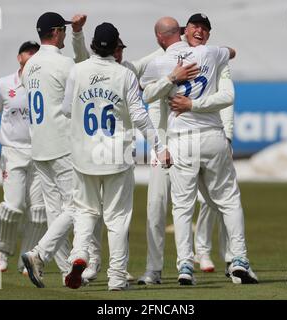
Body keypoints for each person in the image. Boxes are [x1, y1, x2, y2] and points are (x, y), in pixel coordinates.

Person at [140, 16, 258, 285]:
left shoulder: (160, 62)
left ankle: (185, 265)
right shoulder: (213, 53)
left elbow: (146, 95)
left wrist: (178, 88)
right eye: (195, 27)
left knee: (182, 207)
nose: (199, 31)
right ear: (183, 31)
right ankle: (238, 258)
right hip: (211, 136)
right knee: (228, 201)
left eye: (203, 28)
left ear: (161, 37)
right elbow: (232, 53)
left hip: (182, 140)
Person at [62, 22, 170, 291]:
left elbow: (66, 110)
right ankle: (117, 278)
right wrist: (158, 146)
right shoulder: (124, 75)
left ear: (93, 46)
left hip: (83, 155)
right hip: (116, 156)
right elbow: (139, 116)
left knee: (86, 212)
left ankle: (79, 256)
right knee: (117, 219)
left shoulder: (77, 70)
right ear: (115, 48)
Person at [20, 12, 88, 287]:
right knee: (79, 206)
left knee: (54, 210)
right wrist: (79, 35)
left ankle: (63, 270)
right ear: (58, 32)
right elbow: (86, 70)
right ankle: (39, 253)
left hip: (39, 146)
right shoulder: (64, 64)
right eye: (65, 31)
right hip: (63, 145)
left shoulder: (29, 65)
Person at [0, 41, 47, 275]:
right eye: (28, 53)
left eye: (36, 54)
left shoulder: (47, 83)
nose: (32, 57)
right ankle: (3, 251)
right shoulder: (5, 84)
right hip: (13, 151)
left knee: (38, 210)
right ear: (19, 57)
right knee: (14, 207)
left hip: (40, 152)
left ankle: (28, 258)